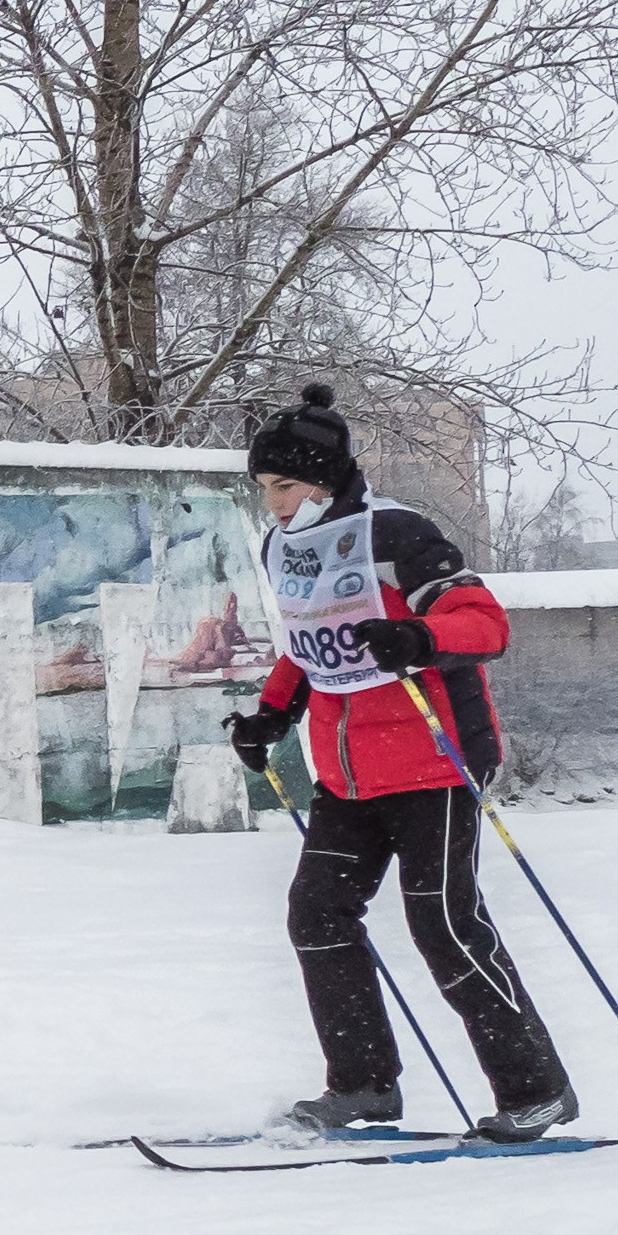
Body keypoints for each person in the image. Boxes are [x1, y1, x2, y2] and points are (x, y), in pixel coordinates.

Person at [224, 382, 577, 1142]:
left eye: (284, 485)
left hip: (436, 760)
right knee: (317, 914)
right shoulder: (284, 547)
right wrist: (269, 717)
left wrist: (420, 639)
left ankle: (535, 1089)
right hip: (348, 774)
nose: (274, 504)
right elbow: (306, 643)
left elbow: (482, 621)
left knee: (443, 925)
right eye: (264, 489)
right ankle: (363, 1088)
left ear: (323, 477)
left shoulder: (398, 535)